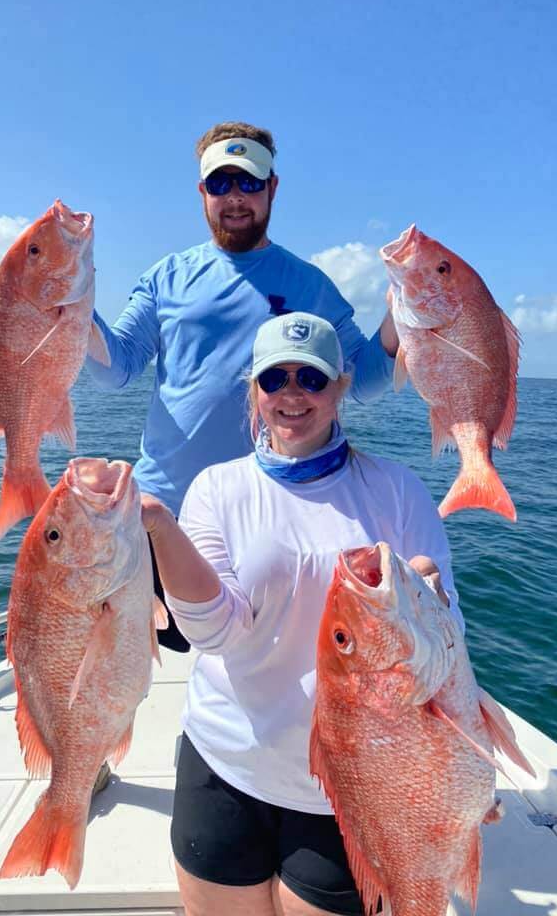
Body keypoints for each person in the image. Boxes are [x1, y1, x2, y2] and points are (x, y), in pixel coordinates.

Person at [140, 312, 463, 916]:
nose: (292, 394)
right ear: (253, 392)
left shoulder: (397, 490)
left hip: (354, 780)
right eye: (274, 379)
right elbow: (218, 633)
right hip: (226, 759)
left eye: (311, 379)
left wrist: (433, 606)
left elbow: (451, 641)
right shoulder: (216, 488)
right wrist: (160, 528)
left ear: (341, 387)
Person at [86, 121, 399, 651]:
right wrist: (72, 310)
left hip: (267, 516)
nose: (235, 198)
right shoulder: (167, 276)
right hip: (161, 513)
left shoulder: (309, 284)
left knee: (259, 665)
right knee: (148, 664)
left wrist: (405, 315)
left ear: (272, 188)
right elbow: (116, 368)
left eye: (249, 183)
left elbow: (363, 381)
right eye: (221, 183)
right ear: (202, 192)